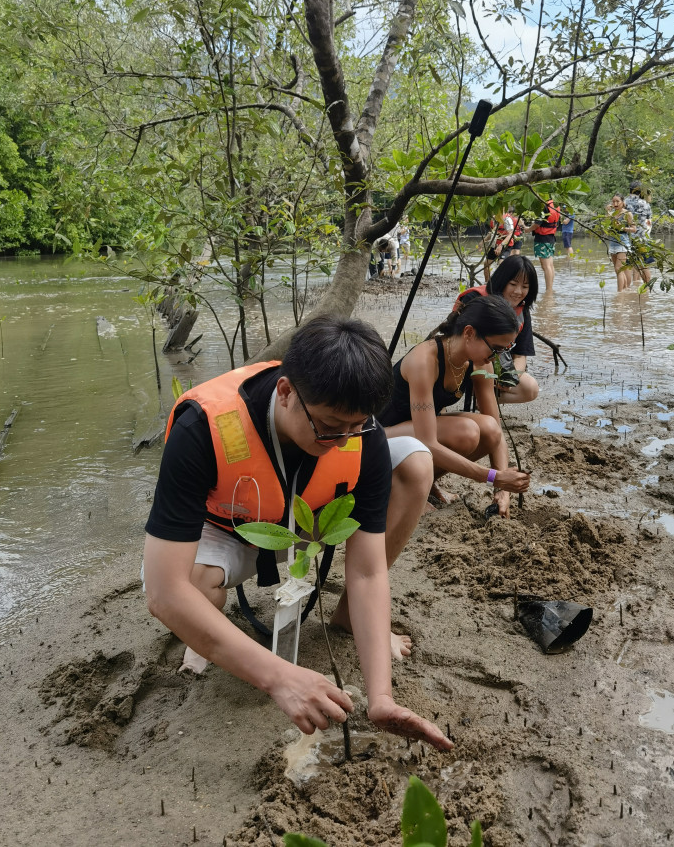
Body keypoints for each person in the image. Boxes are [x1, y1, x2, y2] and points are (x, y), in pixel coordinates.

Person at [143, 315, 449, 750]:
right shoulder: (202, 429)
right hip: (231, 524)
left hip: (311, 519)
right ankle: (207, 636)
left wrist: (381, 697)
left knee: (415, 462)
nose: (343, 441)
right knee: (193, 590)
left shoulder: (362, 436)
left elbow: (366, 572)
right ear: (286, 392)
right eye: (329, 426)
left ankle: (358, 626)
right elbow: (164, 592)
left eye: (355, 426)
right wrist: (278, 676)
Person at [377, 295, 531, 517]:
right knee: (465, 433)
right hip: (379, 438)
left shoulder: (480, 363)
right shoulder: (425, 361)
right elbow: (427, 441)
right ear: (469, 333)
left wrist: (502, 489)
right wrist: (492, 476)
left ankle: (426, 483)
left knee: (487, 428)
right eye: (496, 349)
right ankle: (401, 487)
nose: (497, 358)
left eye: (505, 350)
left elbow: (495, 433)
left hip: (415, 434)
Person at [453, 254, 540, 405]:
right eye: (513, 284)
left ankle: (484, 403)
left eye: (525, 287)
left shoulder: (521, 311)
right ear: (502, 281)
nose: (518, 292)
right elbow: (453, 341)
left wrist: (509, 378)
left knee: (530, 388)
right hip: (464, 365)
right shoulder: (474, 299)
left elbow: (520, 355)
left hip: (495, 369)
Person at [605, 194, 636, 291]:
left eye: (617, 201)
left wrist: (623, 228)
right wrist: (608, 212)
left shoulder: (627, 214)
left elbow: (634, 229)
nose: (615, 203)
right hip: (613, 242)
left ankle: (620, 293)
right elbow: (606, 225)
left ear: (623, 202)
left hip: (623, 243)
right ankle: (625, 289)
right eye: (613, 201)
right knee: (618, 269)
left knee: (619, 269)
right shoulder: (612, 214)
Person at [625, 182, 653, 285]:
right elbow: (649, 222)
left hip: (628, 238)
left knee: (628, 266)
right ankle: (647, 288)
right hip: (643, 238)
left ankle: (627, 290)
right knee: (644, 265)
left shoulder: (624, 202)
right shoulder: (645, 204)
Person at [529, 199, 560, 291]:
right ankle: (550, 289)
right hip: (551, 237)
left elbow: (537, 225)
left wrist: (527, 229)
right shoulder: (555, 204)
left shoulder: (544, 206)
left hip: (542, 238)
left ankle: (549, 290)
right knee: (550, 265)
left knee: (546, 266)